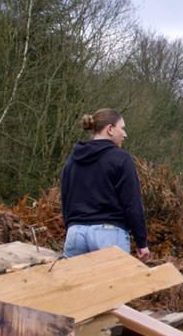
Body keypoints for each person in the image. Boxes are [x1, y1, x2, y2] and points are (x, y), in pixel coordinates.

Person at [60, 108, 150, 262]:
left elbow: (65, 198)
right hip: (108, 234)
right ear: (110, 129)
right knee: (113, 287)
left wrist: (72, 226)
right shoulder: (121, 158)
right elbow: (132, 202)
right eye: (122, 128)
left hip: (75, 233)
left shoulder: (73, 159)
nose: (125, 134)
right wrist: (141, 242)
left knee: (76, 286)